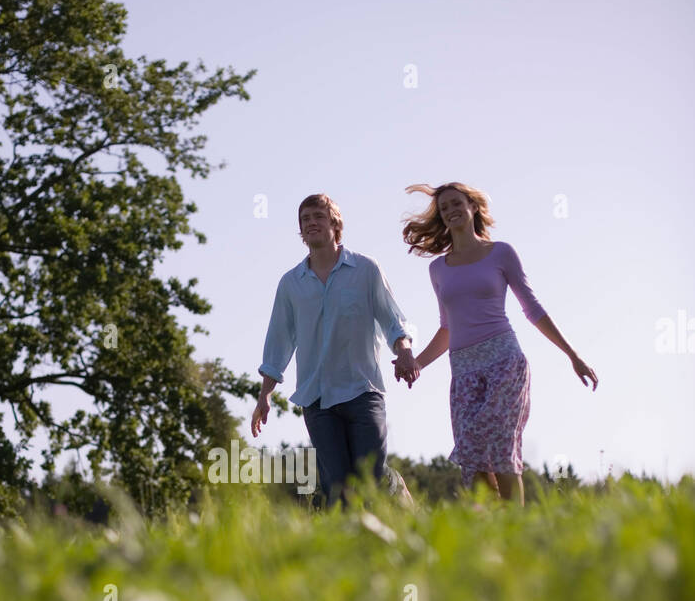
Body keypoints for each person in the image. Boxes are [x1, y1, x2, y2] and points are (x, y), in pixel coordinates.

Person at [399, 182, 597, 505]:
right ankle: (495, 524)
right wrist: (417, 363)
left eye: (456, 203)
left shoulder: (501, 253)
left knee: (501, 451)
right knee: (470, 457)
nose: (450, 211)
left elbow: (532, 309)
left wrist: (572, 354)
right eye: (444, 208)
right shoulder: (438, 269)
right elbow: (447, 327)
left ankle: (516, 525)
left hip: (504, 361)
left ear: (472, 207)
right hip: (463, 369)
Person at [252, 193, 418, 506]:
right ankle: (349, 535)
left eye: (318, 216)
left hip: (362, 391)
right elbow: (278, 342)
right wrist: (265, 395)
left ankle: (393, 487)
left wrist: (405, 351)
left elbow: (393, 320)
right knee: (337, 487)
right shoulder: (291, 283)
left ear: (335, 224)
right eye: (305, 219)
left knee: (370, 478)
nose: (311, 223)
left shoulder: (365, 269)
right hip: (317, 399)